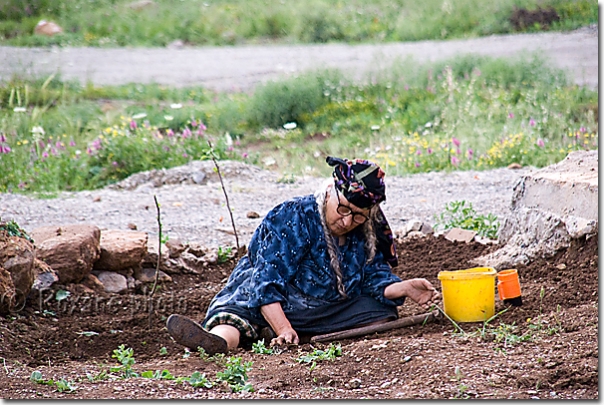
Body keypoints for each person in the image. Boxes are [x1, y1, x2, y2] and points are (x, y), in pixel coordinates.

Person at [166, 156, 440, 354]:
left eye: (358, 216)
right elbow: (266, 283)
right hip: (273, 303)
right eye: (343, 209)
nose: (347, 222)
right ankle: (217, 343)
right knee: (236, 319)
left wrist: (403, 287)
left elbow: (372, 276)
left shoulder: (366, 230)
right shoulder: (292, 217)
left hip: (325, 307)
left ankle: (293, 333)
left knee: (382, 310)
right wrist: (284, 327)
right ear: (330, 191)